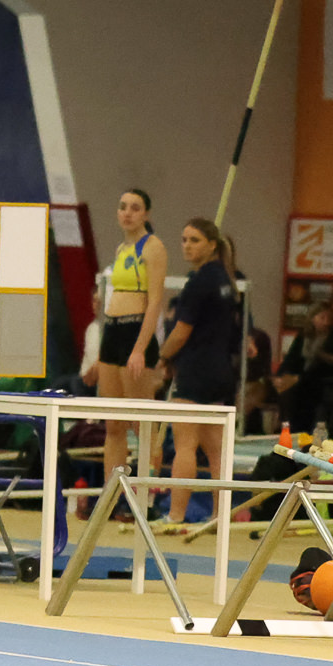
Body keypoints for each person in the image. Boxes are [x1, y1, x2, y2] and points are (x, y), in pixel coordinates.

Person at [151, 218, 240, 524]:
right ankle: (219, 516)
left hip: (196, 370)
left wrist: (163, 356)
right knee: (216, 450)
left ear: (212, 245)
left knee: (185, 446)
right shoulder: (226, 280)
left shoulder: (199, 282)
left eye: (195, 240)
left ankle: (176, 515)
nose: (187, 246)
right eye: (184, 240)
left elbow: (180, 332)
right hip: (220, 371)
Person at [88, 187, 169, 508]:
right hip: (112, 332)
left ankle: (148, 496)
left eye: (135, 207)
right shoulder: (122, 248)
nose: (127, 213)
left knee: (141, 422)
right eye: (123, 206)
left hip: (136, 332)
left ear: (146, 213)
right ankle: (112, 495)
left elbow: (155, 302)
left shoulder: (154, 247)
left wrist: (140, 348)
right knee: (113, 424)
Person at [274, 303, 333, 436]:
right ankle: (286, 429)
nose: (326, 322)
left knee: (298, 389)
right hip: (299, 376)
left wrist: (322, 356)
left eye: (329, 318)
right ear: (313, 318)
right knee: (286, 390)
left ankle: (299, 430)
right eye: (322, 317)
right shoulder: (303, 336)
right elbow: (291, 358)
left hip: (321, 379)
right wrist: (280, 375)